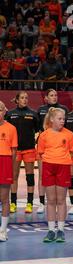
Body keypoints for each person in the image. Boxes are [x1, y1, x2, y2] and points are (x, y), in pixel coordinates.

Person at [37, 107, 73, 243]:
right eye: (60, 119)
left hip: (63, 167)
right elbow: (40, 153)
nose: (62, 121)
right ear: (52, 119)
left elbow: (71, 152)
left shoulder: (69, 134)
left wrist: (62, 160)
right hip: (48, 166)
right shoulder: (44, 135)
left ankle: (61, 230)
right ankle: (51, 230)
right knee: (51, 200)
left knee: (61, 200)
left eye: (64, 119)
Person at [5, 91, 39, 214]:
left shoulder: (33, 114)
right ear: (17, 100)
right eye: (22, 98)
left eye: (26, 98)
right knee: (14, 176)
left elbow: (37, 130)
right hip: (15, 150)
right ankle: (13, 203)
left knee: (30, 176)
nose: (25, 100)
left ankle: (29, 203)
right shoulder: (10, 114)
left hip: (29, 149)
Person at [36, 89, 68, 214]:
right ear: (46, 98)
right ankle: (41, 203)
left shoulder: (63, 109)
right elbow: (39, 127)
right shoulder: (41, 110)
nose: (54, 97)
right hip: (45, 149)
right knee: (42, 176)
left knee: (59, 192)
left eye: (56, 95)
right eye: (51, 95)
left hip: (59, 155)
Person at [0, 101, 17, 242]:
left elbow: (13, 152)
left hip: (5, 162)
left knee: (5, 198)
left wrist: (9, 169)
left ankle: (3, 230)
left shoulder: (11, 128)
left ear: (4, 111)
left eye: (0, 110)